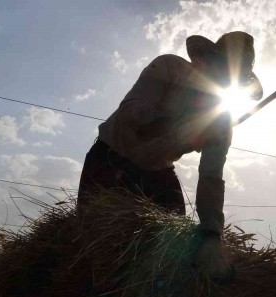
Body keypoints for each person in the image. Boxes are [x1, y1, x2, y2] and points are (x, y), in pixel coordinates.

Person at [77, 31, 263, 281]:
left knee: (174, 242)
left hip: (157, 171)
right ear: (209, 59)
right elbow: (132, 111)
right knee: (92, 248)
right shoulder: (168, 67)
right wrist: (179, 131)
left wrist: (211, 235)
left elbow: (211, 176)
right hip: (112, 156)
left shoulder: (220, 121)